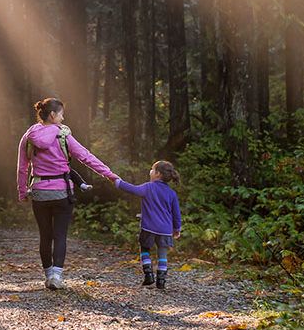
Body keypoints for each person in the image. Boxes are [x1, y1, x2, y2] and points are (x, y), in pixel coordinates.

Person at [17, 98, 119, 290]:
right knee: (60, 235)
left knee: (45, 236)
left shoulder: (29, 136)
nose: (63, 118)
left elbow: (22, 167)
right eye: (62, 114)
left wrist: (22, 191)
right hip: (62, 192)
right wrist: (109, 175)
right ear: (53, 115)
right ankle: (57, 276)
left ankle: (48, 276)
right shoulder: (63, 135)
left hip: (39, 192)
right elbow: (86, 157)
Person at [114, 160, 181, 290]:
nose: (150, 171)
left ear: (157, 174)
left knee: (145, 249)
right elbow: (176, 213)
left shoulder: (148, 187)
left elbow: (133, 189)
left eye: (152, 169)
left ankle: (149, 274)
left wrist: (118, 182)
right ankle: (161, 280)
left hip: (149, 227)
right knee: (162, 253)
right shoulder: (172, 193)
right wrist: (177, 228)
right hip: (165, 230)